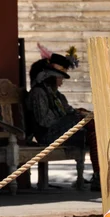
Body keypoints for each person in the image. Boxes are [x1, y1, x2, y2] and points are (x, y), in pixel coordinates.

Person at [26, 48, 101, 191]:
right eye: (59, 77)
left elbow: (68, 110)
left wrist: (79, 113)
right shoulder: (38, 94)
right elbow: (44, 121)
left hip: (62, 131)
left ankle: (99, 175)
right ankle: (98, 176)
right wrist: (73, 118)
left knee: (95, 132)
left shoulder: (58, 96)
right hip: (48, 135)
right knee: (90, 124)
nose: (61, 82)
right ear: (50, 76)